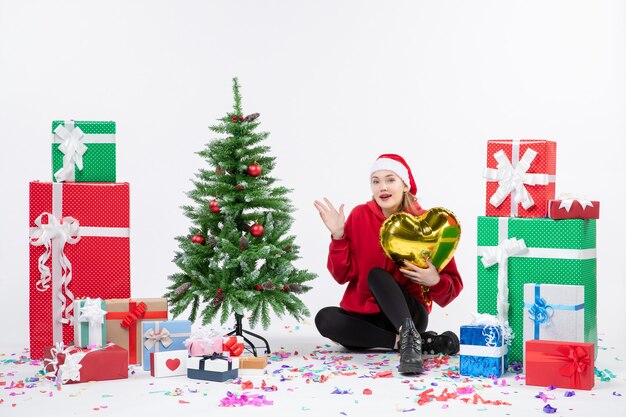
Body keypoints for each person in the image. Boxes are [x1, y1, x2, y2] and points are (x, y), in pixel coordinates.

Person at [313, 154, 463, 374]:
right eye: (376, 181)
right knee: (325, 318)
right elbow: (341, 275)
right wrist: (338, 235)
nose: (382, 187)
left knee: (377, 276)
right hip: (366, 320)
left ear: (405, 185)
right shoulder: (359, 216)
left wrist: (434, 280)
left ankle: (410, 335)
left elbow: (452, 287)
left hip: (409, 315)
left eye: (390, 179)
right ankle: (410, 343)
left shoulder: (427, 225)